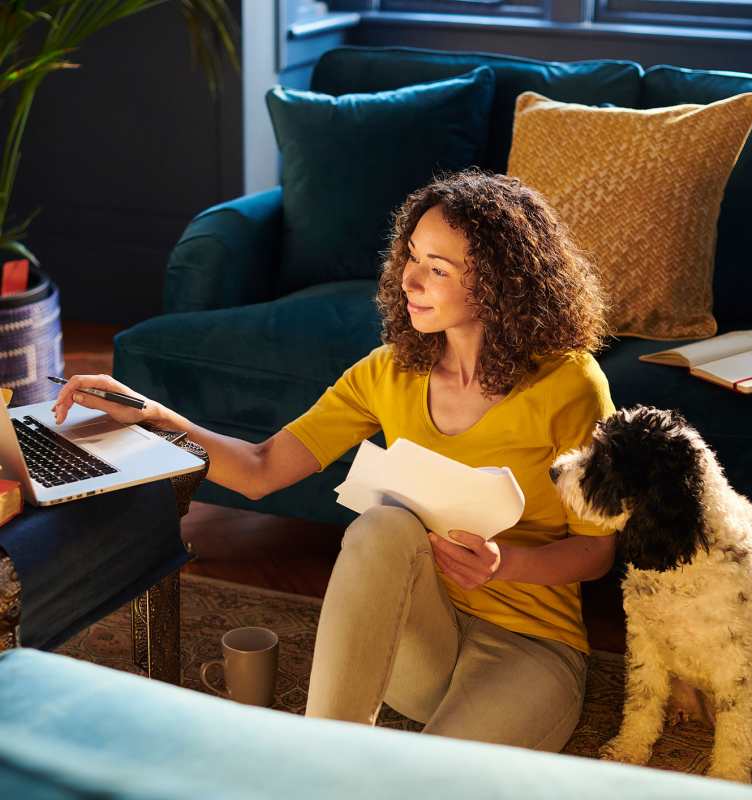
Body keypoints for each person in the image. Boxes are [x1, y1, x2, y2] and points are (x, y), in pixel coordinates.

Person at [54, 169, 616, 752]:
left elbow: (597, 552)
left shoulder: (569, 385)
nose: (410, 279)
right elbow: (260, 467)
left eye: (437, 269)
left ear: (499, 284)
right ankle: (320, 757)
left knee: (432, 783)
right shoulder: (389, 371)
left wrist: (503, 566)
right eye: (412, 256)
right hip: (415, 638)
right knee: (383, 525)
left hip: (529, 643)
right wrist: (149, 416)